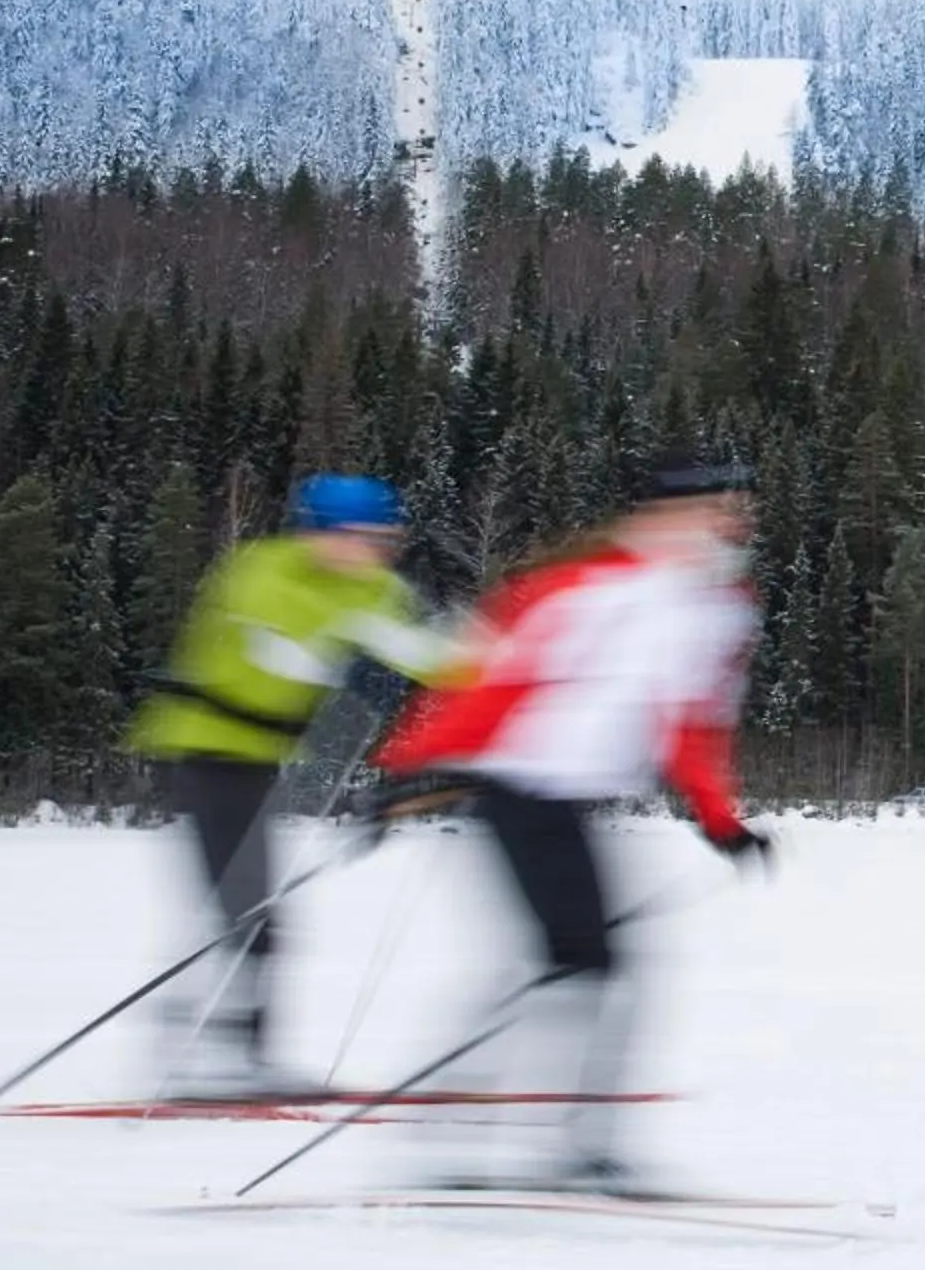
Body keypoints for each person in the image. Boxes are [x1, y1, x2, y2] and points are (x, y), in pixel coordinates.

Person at [372, 450, 771, 1189]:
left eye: (735, 509)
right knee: (583, 963)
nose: (729, 522)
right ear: (661, 513)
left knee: (579, 963)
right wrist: (412, 764)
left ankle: (536, 1138)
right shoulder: (586, 587)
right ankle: (535, 1139)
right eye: (713, 506)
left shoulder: (714, 606)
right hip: (517, 786)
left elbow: (692, 724)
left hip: (570, 799)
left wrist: (721, 820)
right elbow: (489, 678)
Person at [129, 474, 458, 1093]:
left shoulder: (376, 589)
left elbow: (432, 658)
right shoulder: (262, 571)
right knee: (250, 909)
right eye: (360, 537)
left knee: (255, 910)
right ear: (317, 533)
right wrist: (359, 654)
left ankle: (227, 1050)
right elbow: (278, 653)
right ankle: (216, 1057)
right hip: (206, 750)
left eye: (385, 539)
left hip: (262, 759)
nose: (374, 551)